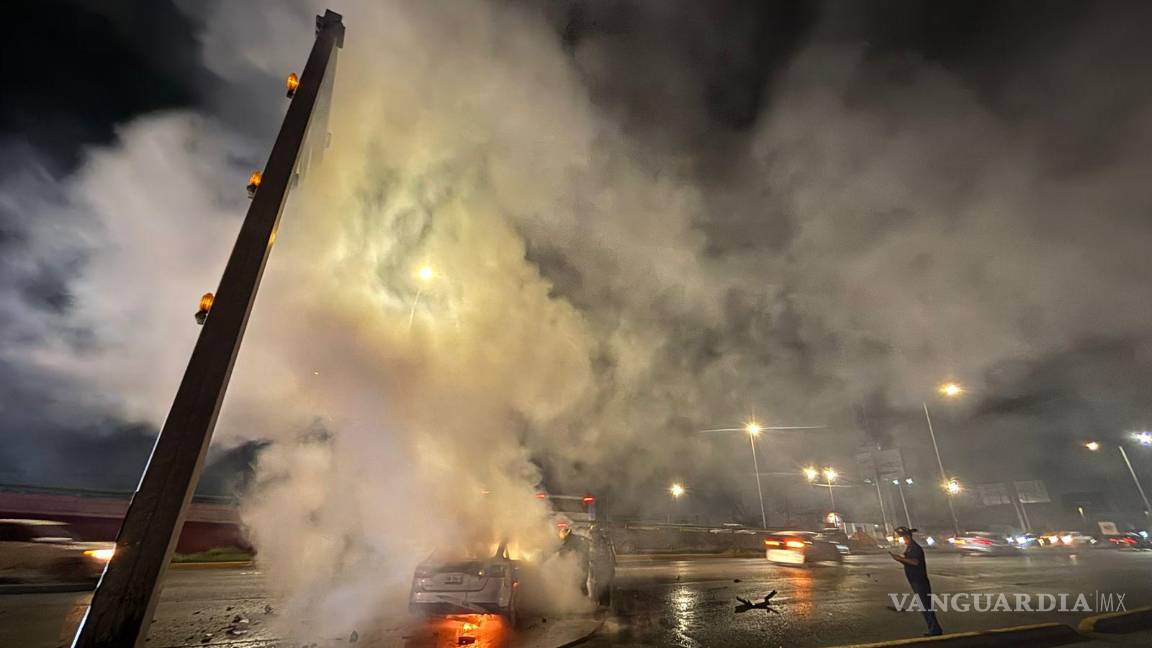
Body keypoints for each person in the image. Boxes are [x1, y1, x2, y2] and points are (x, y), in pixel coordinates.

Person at [889, 526, 944, 636]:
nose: (903, 540)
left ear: (908, 537)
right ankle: (934, 629)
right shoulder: (909, 548)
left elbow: (915, 562)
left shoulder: (915, 548)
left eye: (904, 538)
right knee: (924, 606)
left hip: (919, 581)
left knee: (926, 606)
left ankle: (935, 630)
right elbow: (908, 561)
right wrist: (900, 558)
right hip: (915, 580)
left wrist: (899, 558)